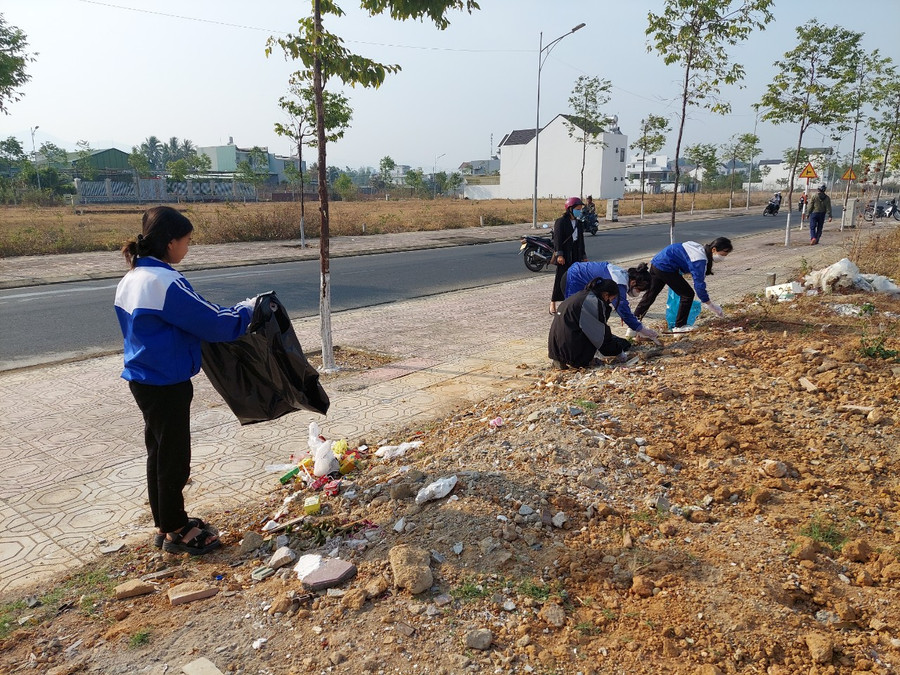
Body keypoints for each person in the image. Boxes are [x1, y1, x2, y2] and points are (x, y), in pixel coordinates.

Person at [114, 206, 257, 556]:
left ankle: (165, 523)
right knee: (174, 457)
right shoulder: (165, 283)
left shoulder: (131, 278)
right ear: (170, 242)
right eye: (187, 241)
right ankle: (178, 529)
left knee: (159, 453)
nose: (188, 248)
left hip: (143, 377)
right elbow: (213, 321)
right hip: (167, 381)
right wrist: (249, 309)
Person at [632, 237, 733, 333]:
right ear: (714, 250)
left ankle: (633, 326)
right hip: (666, 267)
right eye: (723, 254)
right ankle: (680, 326)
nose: (723, 257)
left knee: (650, 295)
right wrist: (710, 304)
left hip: (658, 262)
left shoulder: (699, 249)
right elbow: (699, 285)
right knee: (687, 294)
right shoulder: (699, 259)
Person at [564, 261, 659, 342]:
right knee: (575, 314)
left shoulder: (622, 275)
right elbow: (623, 309)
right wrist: (641, 329)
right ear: (633, 282)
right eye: (638, 289)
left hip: (578, 272)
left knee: (595, 312)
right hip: (575, 278)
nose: (637, 292)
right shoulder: (619, 283)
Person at [548, 277, 632, 368]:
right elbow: (600, 335)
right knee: (615, 342)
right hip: (569, 351)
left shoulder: (583, 295)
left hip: (556, 349)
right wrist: (618, 351)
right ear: (606, 294)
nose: (612, 301)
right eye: (613, 298)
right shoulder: (592, 302)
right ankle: (579, 360)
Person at [549, 196, 588, 314]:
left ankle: (572, 302)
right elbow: (557, 239)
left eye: (580, 209)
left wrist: (583, 255)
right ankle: (553, 302)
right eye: (577, 209)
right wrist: (559, 254)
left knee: (575, 278)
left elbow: (581, 240)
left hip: (576, 253)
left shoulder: (578, 223)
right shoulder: (561, 222)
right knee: (560, 278)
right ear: (570, 209)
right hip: (565, 254)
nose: (579, 211)